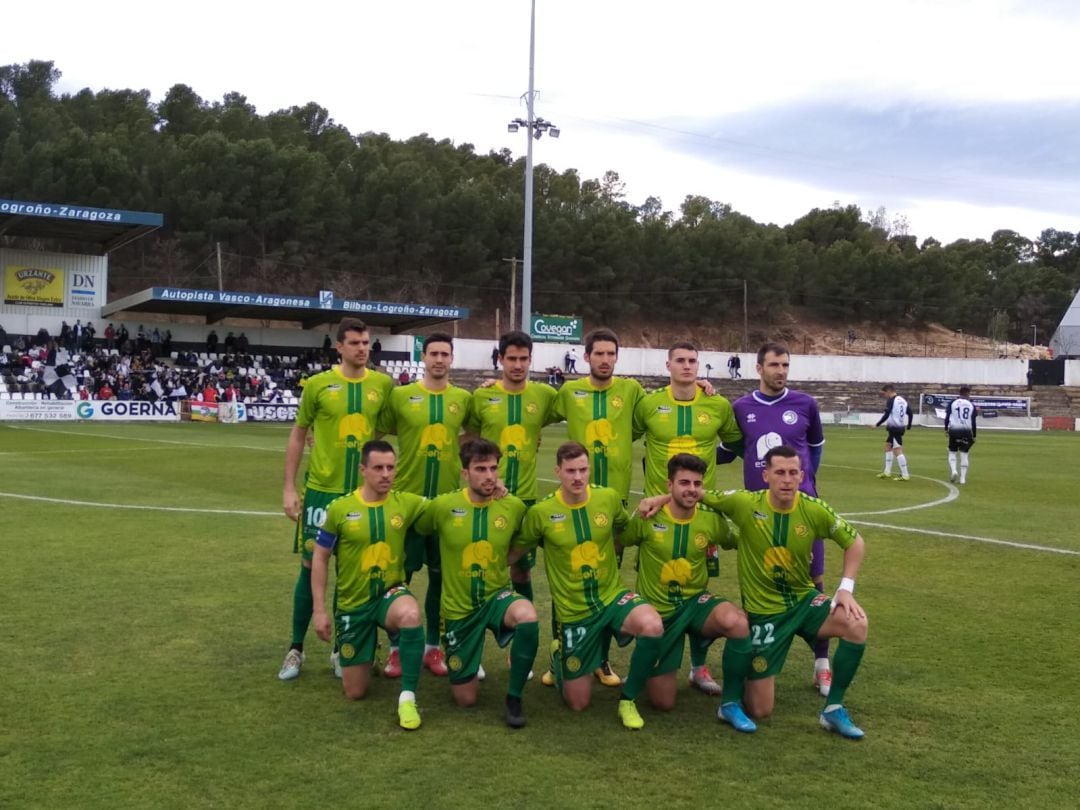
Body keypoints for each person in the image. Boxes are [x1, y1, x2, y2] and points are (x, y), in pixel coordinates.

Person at [640, 445, 869, 738]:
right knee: (760, 709)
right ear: (766, 475)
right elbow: (694, 493)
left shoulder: (814, 508)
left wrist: (845, 589)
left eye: (793, 473)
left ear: (802, 476)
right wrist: (659, 498)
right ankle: (730, 701)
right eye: (780, 473)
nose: (787, 479)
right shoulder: (745, 503)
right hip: (766, 615)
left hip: (804, 602)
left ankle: (833, 709)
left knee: (857, 624)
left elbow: (855, 542)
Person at [510, 441, 664, 730]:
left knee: (652, 625)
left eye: (582, 469)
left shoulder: (607, 498)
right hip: (574, 610)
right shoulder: (542, 513)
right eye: (570, 471)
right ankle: (559, 655)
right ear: (558, 471)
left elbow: (624, 532)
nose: (578, 477)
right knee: (578, 703)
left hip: (611, 595)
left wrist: (653, 505)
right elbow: (515, 552)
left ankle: (627, 700)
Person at [279, 318, 394, 681]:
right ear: (339, 347)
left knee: (356, 571)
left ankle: (341, 648)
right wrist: (289, 487)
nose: (363, 349)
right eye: (356, 343)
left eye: (367, 343)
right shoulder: (317, 385)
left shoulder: (383, 385)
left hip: (363, 494)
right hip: (323, 492)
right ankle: (295, 649)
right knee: (311, 566)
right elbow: (298, 435)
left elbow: (392, 426)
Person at [721, 342, 833, 695]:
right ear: (759, 368)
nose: (781, 371)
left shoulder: (805, 404)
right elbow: (727, 451)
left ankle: (822, 663)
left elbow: (815, 448)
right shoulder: (741, 408)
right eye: (774, 365)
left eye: (785, 365)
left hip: (802, 511)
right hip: (758, 516)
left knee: (814, 581)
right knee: (759, 581)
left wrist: (805, 484)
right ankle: (759, 648)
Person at [634, 340, 740, 693]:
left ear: (700, 366)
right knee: (655, 580)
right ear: (668, 365)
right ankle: (652, 648)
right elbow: (625, 435)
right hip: (657, 513)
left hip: (702, 511)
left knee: (699, 584)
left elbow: (737, 441)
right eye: (679, 360)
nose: (686, 366)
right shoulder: (649, 404)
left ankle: (698, 666)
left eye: (692, 360)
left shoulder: (717, 403)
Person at [413, 439, 537, 727]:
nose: (490, 476)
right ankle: (461, 656)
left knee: (528, 615)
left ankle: (514, 697)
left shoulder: (513, 507)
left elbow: (532, 532)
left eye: (494, 468)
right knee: (465, 699)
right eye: (480, 469)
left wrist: (511, 556)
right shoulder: (443, 507)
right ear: (465, 473)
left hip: (497, 598)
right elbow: (418, 528)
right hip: (459, 610)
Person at [549, 327, 648, 688]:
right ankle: (559, 651)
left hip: (614, 502)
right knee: (567, 577)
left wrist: (704, 386)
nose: (605, 360)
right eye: (599, 353)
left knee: (606, 582)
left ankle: (601, 659)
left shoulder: (631, 390)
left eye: (611, 354)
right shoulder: (568, 392)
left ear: (616, 357)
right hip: (574, 499)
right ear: (586, 356)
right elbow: (532, 408)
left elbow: (646, 420)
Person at [619, 454, 752, 712]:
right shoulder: (648, 517)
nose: (691, 489)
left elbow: (738, 541)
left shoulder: (710, 519)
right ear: (670, 485)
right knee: (663, 702)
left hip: (695, 604)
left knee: (736, 622)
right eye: (684, 483)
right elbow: (619, 540)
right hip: (661, 613)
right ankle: (647, 666)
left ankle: (731, 702)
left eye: (697, 483)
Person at [309, 441, 427, 730]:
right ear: (363, 470)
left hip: (389, 594)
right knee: (355, 693)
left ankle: (407, 699)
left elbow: (450, 505)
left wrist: (495, 487)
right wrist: (320, 610)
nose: (386, 474)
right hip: (354, 604)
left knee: (411, 615)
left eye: (390, 467)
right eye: (378, 468)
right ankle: (364, 650)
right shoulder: (339, 509)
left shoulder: (407, 503)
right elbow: (320, 558)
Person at [377, 332, 474, 679]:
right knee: (396, 579)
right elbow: (378, 431)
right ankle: (396, 650)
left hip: (446, 504)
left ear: (451, 358)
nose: (438, 359)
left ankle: (433, 647)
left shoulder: (462, 398)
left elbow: (475, 432)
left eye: (444, 354)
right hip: (406, 503)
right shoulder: (401, 396)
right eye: (433, 353)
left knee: (440, 582)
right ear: (423, 356)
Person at [467, 331, 558, 604]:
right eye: (511, 359)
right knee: (479, 564)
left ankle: (522, 632)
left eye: (523, 359)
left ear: (531, 360)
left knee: (521, 571)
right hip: (486, 496)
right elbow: (472, 436)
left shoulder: (544, 395)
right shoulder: (482, 396)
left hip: (525, 497)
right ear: (500, 359)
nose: (518, 365)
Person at [876, 383, 913, 480]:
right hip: (899, 427)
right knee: (888, 446)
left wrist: (877, 424)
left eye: (884, 394)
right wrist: (909, 425)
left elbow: (887, 414)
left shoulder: (891, 400)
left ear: (889, 391)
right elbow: (910, 413)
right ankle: (887, 472)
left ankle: (905, 475)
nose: (884, 396)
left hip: (895, 428)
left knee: (897, 450)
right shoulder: (902, 400)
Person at [945, 386, 977, 485]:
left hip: (954, 430)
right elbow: (973, 421)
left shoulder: (953, 403)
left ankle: (954, 471)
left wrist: (946, 428)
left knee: (952, 452)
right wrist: (974, 434)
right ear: (968, 394)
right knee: (964, 454)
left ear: (960, 393)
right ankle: (963, 479)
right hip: (966, 431)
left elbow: (947, 417)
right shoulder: (971, 405)